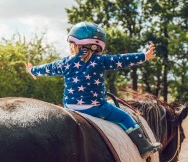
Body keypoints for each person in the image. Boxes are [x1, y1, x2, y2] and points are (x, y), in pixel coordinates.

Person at [24, 21, 161, 157]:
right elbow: (122, 59)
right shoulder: (100, 60)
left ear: (74, 45)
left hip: (70, 107)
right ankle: (144, 147)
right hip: (96, 108)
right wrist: (144, 56)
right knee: (125, 117)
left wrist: (34, 71)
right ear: (98, 46)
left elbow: (49, 68)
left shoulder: (65, 63)